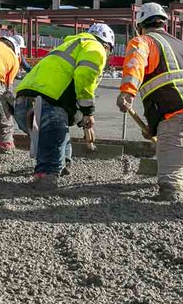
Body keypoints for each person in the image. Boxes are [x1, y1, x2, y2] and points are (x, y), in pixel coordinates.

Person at [117, 3, 183, 202]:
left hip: (182, 117)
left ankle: (172, 202)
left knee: (170, 179)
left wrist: (127, 92)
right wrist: (155, 128)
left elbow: (135, 62)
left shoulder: (143, 41)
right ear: (164, 23)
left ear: (139, 26)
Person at [14, 23, 114, 190]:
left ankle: (63, 163)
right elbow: (85, 75)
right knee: (54, 137)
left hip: (23, 100)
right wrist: (88, 111)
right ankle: (46, 176)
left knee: (57, 132)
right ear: (107, 45)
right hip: (49, 102)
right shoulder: (96, 47)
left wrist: (82, 115)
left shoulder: (68, 45)